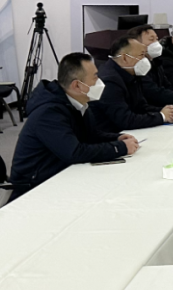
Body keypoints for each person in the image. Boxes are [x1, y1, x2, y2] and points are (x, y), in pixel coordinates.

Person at [9, 53, 138, 197]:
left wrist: (117, 138)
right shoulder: (48, 113)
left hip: (61, 171)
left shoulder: (77, 102)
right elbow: (74, 153)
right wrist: (119, 148)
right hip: (34, 187)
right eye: (95, 77)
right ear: (77, 85)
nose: (100, 81)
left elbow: (91, 135)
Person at [93, 36, 173, 132]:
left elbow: (141, 107)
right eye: (142, 55)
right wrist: (161, 116)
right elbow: (125, 120)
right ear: (125, 58)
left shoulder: (131, 73)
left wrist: (164, 110)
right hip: (112, 135)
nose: (145, 59)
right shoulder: (109, 81)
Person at [126, 24, 173, 108]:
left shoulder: (156, 62)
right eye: (151, 39)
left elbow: (168, 88)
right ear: (136, 43)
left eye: (156, 39)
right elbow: (153, 93)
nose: (156, 43)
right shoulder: (138, 66)